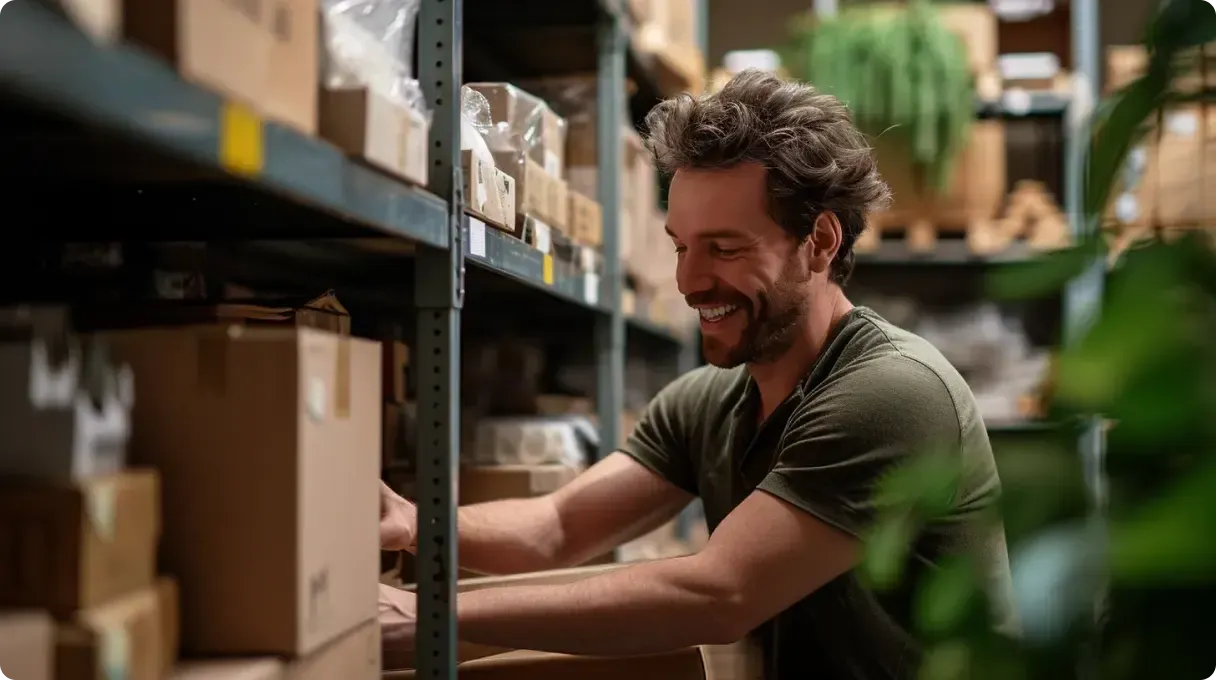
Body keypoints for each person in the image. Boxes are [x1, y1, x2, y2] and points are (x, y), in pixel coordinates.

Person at [378, 70, 1016, 679]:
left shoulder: (890, 393)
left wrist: (434, 618)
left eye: (725, 248)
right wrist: (413, 522)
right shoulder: (710, 402)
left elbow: (718, 591)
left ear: (820, 242)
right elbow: (558, 528)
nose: (688, 281)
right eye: (681, 246)